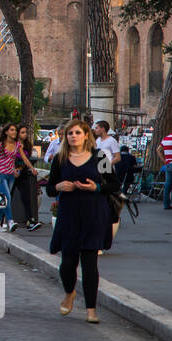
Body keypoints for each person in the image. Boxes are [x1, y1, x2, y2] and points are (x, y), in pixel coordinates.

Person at [46, 119, 118, 323]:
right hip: (69, 215)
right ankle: (69, 292)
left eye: (77, 132)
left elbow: (114, 184)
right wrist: (59, 186)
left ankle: (91, 309)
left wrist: (95, 187)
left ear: (86, 135)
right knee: (67, 263)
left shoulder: (99, 157)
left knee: (89, 264)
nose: (73, 136)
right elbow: (50, 188)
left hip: (94, 214)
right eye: (70, 133)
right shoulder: (60, 159)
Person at [0, 123, 35, 232]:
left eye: (15, 130)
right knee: (8, 198)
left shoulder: (17, 145)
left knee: (4, 200)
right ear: (6, 132)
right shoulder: (1, 144)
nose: (15, 132)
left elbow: (24, 158)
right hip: (0, 174)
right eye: (12, 130)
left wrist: (32, 168)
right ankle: (10, 221)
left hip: (11, 176)